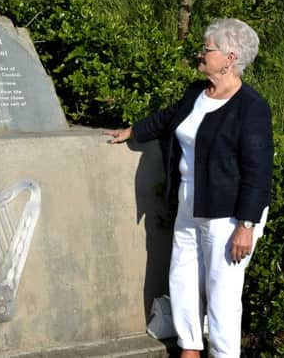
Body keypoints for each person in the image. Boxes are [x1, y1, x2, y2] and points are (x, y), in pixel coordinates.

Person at [105, 18, 273, 358]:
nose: (200, 53)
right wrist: (133, 131)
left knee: (222, 292)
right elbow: (167, 119)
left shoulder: (251, 108)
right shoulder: (196, 94)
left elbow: (258, 173)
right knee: (181, 278)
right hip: (188, 204)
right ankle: (190, 348)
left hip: (228, 216)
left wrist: (246, 226)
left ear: (229, 57)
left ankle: (224, 354)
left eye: (206, 49)